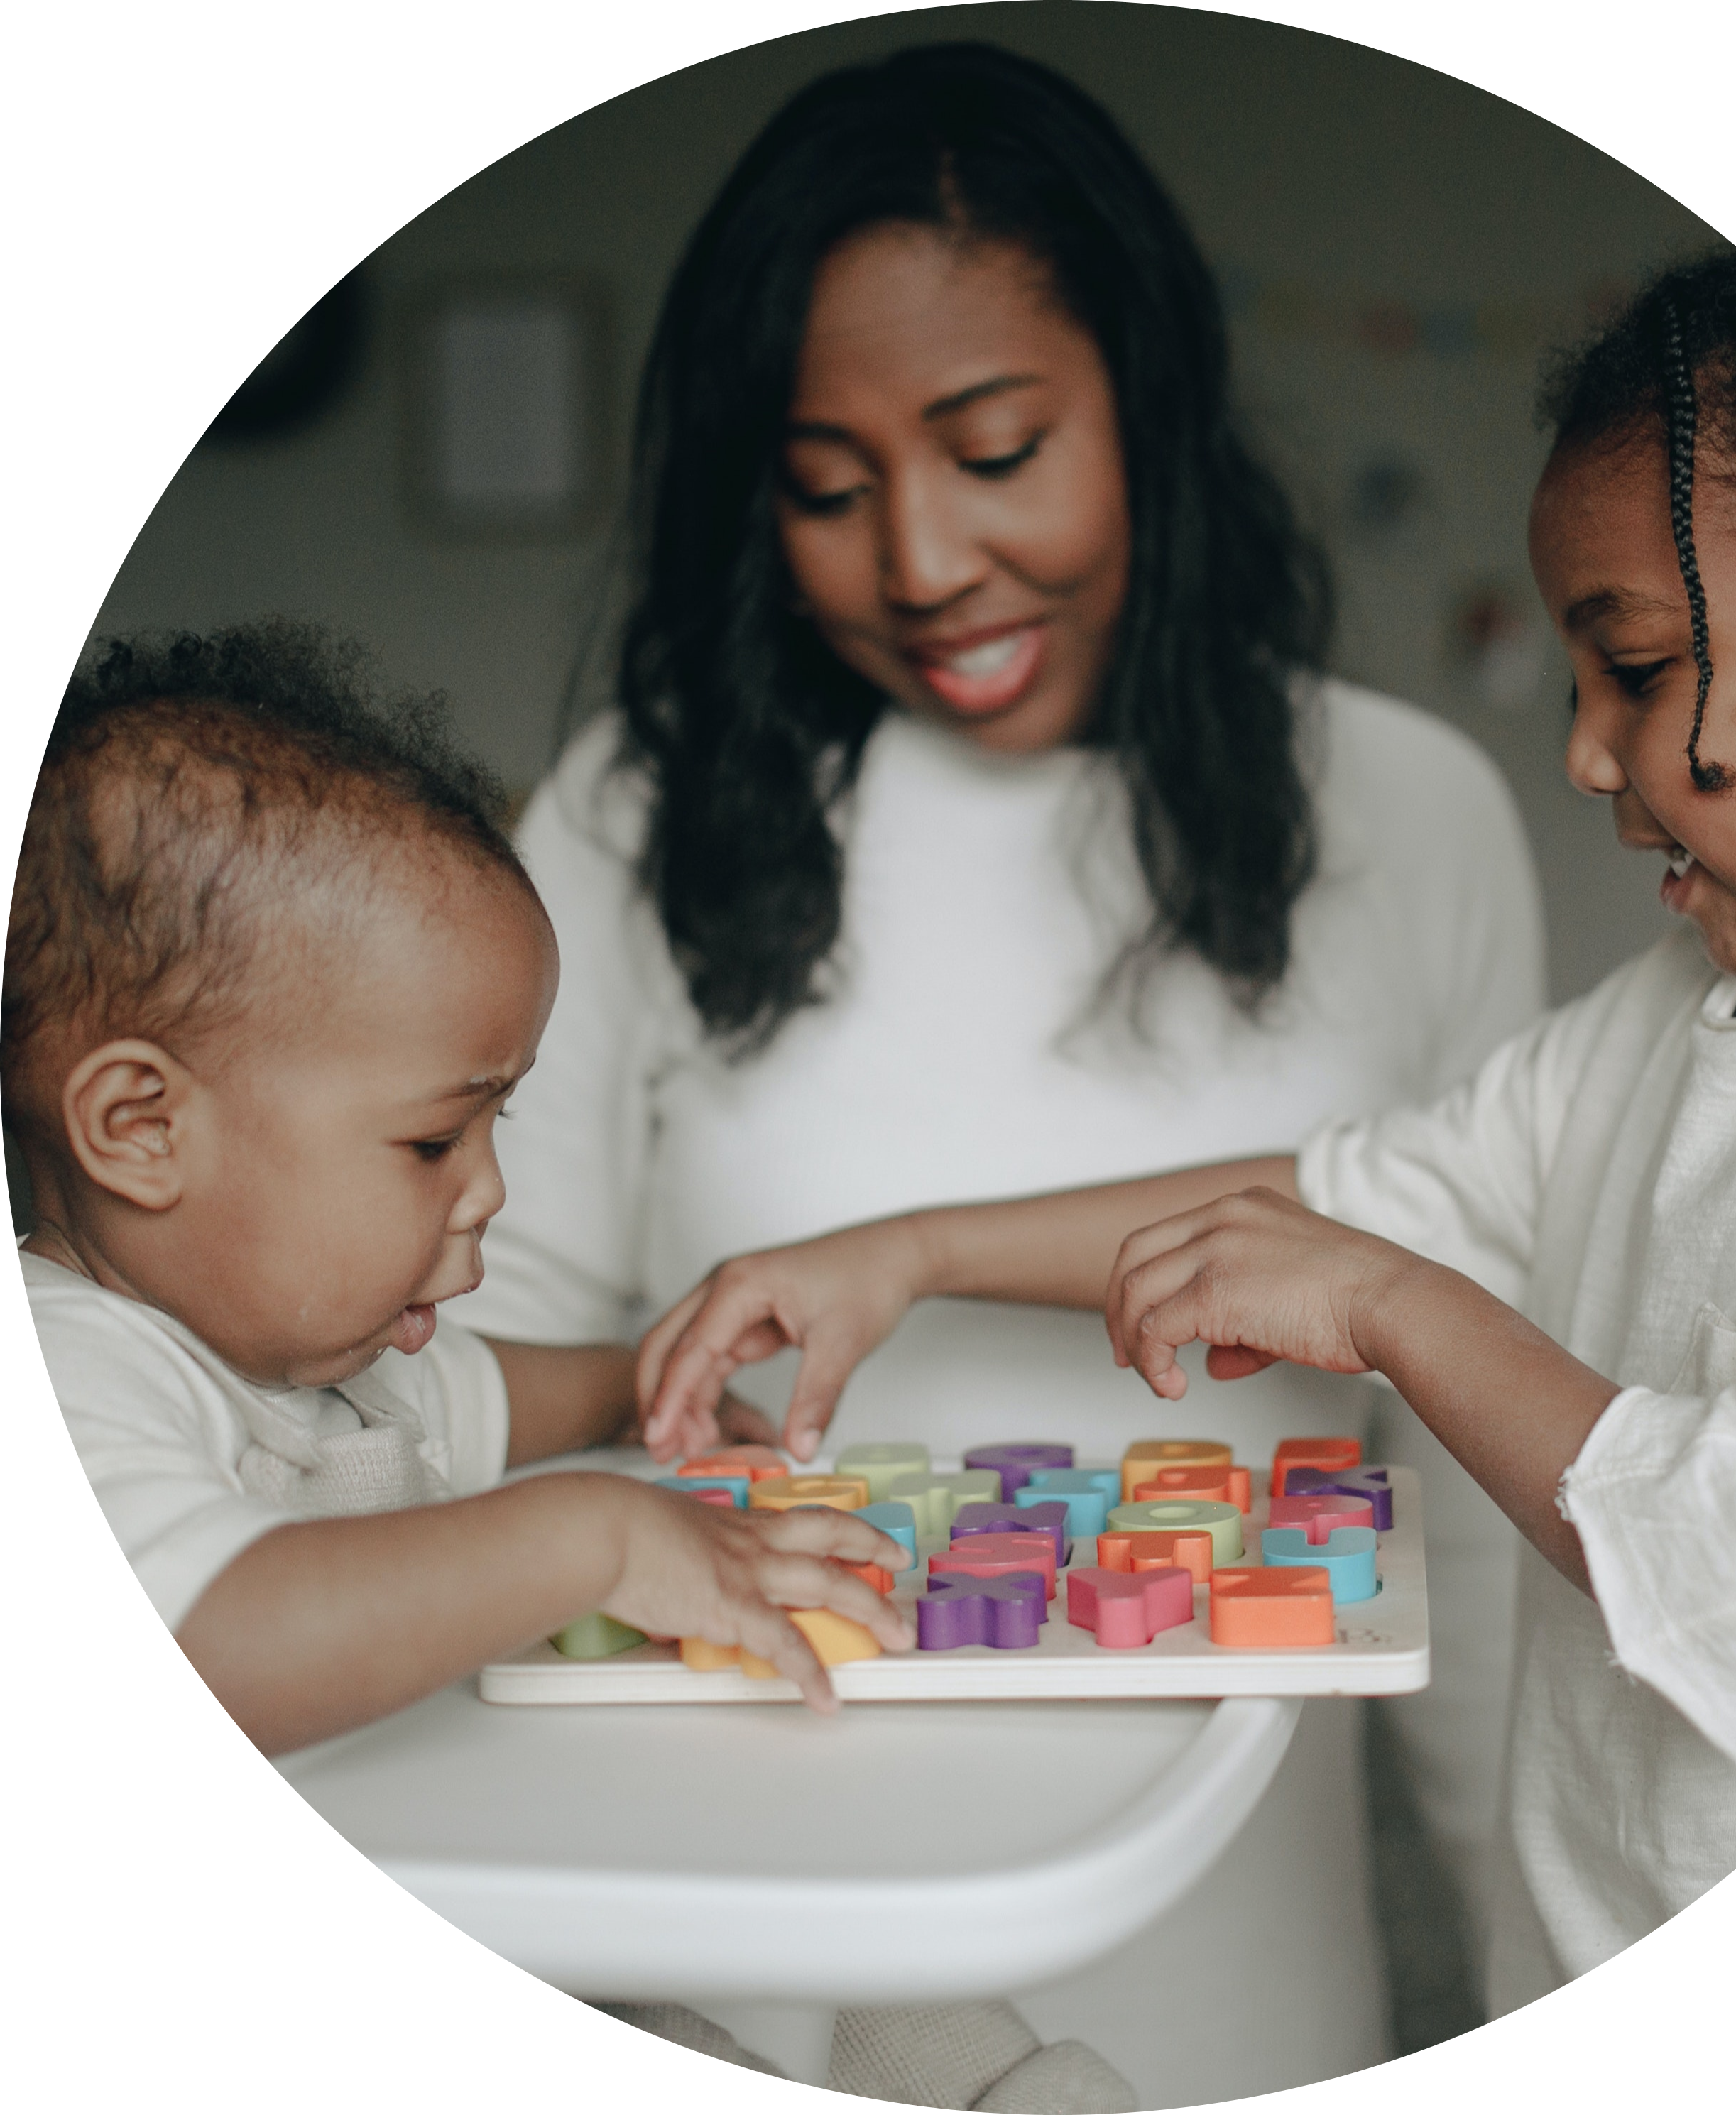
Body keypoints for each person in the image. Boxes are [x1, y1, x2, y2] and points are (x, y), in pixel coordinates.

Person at [639, 253, 1736, 2015]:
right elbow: (1330, 1200)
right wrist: (910, 1251)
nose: (1584, 752)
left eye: (1636, 669)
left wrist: (1400, 1308)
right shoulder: (1677, 1011)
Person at [455, 43, 1544, 2082]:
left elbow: (1479, 1497)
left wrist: (1522, 1945)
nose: (923, 563)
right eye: (826, 485)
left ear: (1146, 399)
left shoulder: (1411, 812)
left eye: (996, 446)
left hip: (1239, 1953)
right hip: (728, 1925)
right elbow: (462, 1395)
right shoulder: (626, 820)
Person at [14, 623, 914, 1756]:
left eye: (501, 1121)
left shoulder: (339, 1363)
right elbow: (210, 1635)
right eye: (436, 1140)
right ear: (142, 1128)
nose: (490, 1189)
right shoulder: (83, 1370)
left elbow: (500, 1394)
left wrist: (650, 1390)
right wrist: (596, 1537)